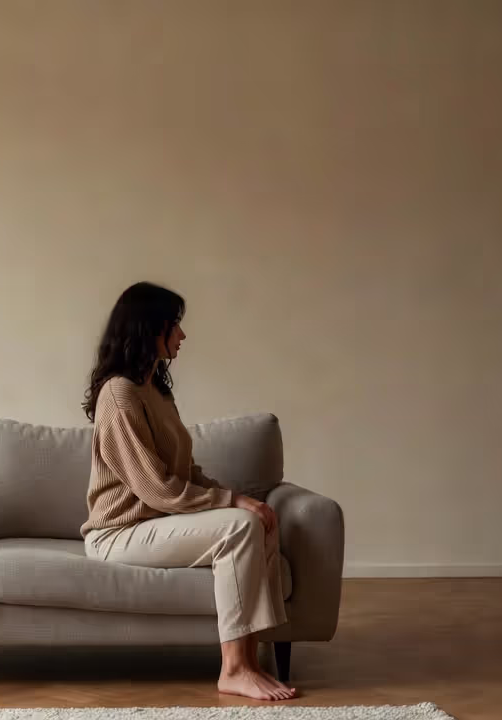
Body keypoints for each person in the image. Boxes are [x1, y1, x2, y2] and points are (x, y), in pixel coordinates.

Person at [81, 282, 297, 702]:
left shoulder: (156, 392)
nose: (182, 336)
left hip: (158, 523)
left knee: (257, 519)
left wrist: (239, 498)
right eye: (175, 325)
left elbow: (185, 472)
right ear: (150, 329)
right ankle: (232, 670)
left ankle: (250, 662)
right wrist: (232, 501)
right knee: (237, 526)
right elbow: (157, 488)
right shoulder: (119, 394)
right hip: (118, 534)